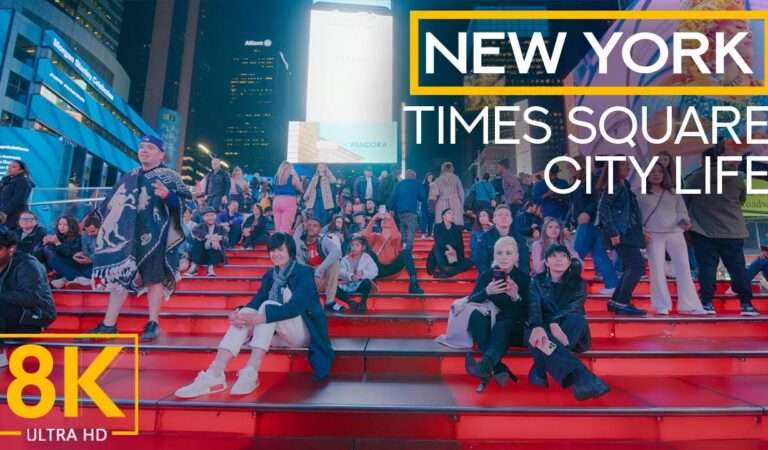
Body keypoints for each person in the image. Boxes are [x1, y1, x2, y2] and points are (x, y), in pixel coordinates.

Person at [174, 233, 334, 398]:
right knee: (246, 313)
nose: (275, 254)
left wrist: (259, 318)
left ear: (290, 251)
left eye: (280, 250)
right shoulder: (270, 276)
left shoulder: (305, 273)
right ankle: (215, 372)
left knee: (268, 307)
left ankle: (251, 371)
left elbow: (295, 308)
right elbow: (256, 302)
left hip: (304, 333)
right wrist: (238, 313)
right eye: (272, 250)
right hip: (276, 334)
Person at [89, 136, 191, 341]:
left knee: (154, 278)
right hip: (127, 235)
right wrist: (94, 219)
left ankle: (153, 323)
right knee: (120, 278)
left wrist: (168, 197)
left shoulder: (170, 176)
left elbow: (185, 206)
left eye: (150, 148)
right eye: (142, 147)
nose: (144, 151)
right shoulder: (129, 176)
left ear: (161, 154)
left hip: (157, 235)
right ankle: (109, 324)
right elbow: (110, 201)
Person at [526, 244, 610, 401]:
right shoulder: (536, 281)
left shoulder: (579, 283)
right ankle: (583, 379)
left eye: (563, 256)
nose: (559, 259)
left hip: (571, 328)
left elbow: (573, 308)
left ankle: (539, 368)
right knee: (538, 334)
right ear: (546, 262)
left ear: (569, 262)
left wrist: (554, 324)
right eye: (554, 256)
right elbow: (533, 308)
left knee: (577, 319)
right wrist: (543, 326)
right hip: (542, 326)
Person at [685, 145, 759, 316]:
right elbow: (741, 200)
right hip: (733, 231)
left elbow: (685, 202)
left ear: (704, 160)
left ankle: (707, 302)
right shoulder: (736, 178)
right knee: (737, 268)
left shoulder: (695, 178)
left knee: (707, 268)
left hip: (704, 231)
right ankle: (746, 304)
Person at [638, 162, 706, 315]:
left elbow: (681, 211)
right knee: (657, 270)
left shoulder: (673, 192)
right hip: (653, 234)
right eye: (652, 172)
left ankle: (689, 304)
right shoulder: (639, 194)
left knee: (683, 268)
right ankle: (661, 304)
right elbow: (637, 217)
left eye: (659, 172)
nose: (656, 175)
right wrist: (642, 230)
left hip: (675, 233)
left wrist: (685, 221)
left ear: (664, 174)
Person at [464, 237, 529, 391]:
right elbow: (470, 301)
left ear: (516, 256)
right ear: (494, 256)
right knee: (474, 316)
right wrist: (487, 291)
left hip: (513, 329)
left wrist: (516, 297)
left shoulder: (525, 279)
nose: (504, 257)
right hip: (490, 327)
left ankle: (487, 367)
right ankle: (498, 368)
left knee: (503, 324)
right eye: (499, 253)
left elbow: (528, 314)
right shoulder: (487, 276)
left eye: (508, 253)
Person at [0, 227, 56, 368]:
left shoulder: (28, 265)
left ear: (11, 249)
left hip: (33, 317)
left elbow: (31, 297)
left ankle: (0, 355)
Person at [597, 159, 647, 316]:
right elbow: (604, 209)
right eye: (623, 164)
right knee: (636, 266)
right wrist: (613, 232)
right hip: (621, 233)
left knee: (631, 266)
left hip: (626, 232)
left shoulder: (623, 185)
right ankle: (621, 301)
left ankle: (617, 301)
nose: (627, 166)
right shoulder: (615, 186)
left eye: (627, 164)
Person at [570, 156, 618, 296]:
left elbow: (596, 200)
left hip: (588, 222)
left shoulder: (590, 180)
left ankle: (570, 284)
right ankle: (612, 284)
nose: (570, 170)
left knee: (577, 253)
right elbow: (574, 205)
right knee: (598, 253)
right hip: (588, 222)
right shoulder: (579, 182)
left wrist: (587, 213)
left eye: (571, 166)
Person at [362, 211, 424, 294]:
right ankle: (370, 284)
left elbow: (396, 234)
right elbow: (365, 236)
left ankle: (413, 283)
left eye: (388, 222)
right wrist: (374, 218)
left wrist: (390, 217)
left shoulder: (395, 238)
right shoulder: (376, 236)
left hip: (392, 269)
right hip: (376, 269)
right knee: (368, 252)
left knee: (406, 252)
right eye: (384, 222)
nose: (385, 222)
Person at [293, 216, 342, 312]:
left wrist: (319, 270)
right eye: (309, 225)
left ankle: (329, 302)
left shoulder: (323, 240)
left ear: (320, 230)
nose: (311, 227)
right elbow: (296, 235)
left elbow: (336, 251)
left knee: (334, 263)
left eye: (315, 226)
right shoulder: (299, 242)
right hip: (307, 278)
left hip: (320, 278)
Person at [475, 205, 530, 276]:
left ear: (511, 220)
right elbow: (482, 264)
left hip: (515, 277)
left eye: (507, 215)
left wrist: (519, 280)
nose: (504, 217)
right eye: (500, 215)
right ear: (494, 220)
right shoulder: (484, 238)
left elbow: (524, 264)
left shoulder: (520, 239)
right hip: (492, 277)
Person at [44, 215, 90, 288]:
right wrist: (47, 242)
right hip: (63, 265)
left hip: (76, 264)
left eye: (65, 225)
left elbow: (70, 254)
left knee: (53, 260)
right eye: (60, 224)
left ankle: (76, 277)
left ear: (71, 226)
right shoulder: (58, 236)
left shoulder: (78, 238)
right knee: (45, 252)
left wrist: (57, 243)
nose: (61, 227)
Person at [335, 236, 378, 313]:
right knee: (333, 288)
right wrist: (350, 276)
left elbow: (375, 271)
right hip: (347, 284)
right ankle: (350, 302)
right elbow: (340, 271)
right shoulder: (345, 258)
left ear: (363, 247)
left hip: (359, 284)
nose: (354, 247)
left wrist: (363, 274)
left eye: (357, 245)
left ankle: (363, 303)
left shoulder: (367, 258)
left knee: (367, 282)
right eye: (352, 245)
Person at [430, 209, 473, 278]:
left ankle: (447, 272)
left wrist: (457, 255)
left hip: (454, 256)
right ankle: (444, 268)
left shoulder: (457, 229)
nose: (452, 215)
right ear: (443, 216)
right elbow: (438, 240)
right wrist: (449, 247)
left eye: (453, 214)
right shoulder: (437, 227)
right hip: (442, 256)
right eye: (450, 213)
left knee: (471, 261)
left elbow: (460, 245)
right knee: (436, 247)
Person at [388, 169, 424, 253]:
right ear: (414, 176)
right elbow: (422, 196)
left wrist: (391, 208)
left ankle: (404, 245)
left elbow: (393, 197)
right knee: (411, 229)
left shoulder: (400, 184)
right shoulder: (417, 183)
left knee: (403, 227)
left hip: (400, 211)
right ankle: (408, 248)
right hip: (411, 210)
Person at [187, 207, 229, 277]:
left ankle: (210, 268)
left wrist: (219, 238)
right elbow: (195, 231)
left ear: (215, 216)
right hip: (201, 255)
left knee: (214, 242)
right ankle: (194, 266)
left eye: (212, 215)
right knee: (199, 241)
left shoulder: (221, 228)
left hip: (215, 255)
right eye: (207, 215)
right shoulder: (199, 227)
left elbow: (227, 241)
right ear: (203, 218)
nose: (210, 217)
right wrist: (210, 237)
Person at [0, 160, 33, 230]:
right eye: (9, 166)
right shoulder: (6, 180)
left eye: (13, 167)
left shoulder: (23, 181)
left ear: (21, 171)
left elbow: (18, 199)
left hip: (13, 215)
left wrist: (5, 212)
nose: (9, 168)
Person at [272, 161, 303, 233]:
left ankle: (277, 243)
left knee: (277, 227)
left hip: (276, 200)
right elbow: (300, 188)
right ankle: (283, 243)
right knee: (285, 227)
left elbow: (274, 189)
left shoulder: (276, 177)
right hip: (289, 200)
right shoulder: (292, 176)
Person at [434, 162, 465, 227]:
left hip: (442, 203)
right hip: (455, 202)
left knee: (442, 224)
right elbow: (461, 192)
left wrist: (435, 206)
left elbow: (435, 195)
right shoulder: (456, 178)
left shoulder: (438, 180)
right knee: (455, 223)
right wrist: (462, 205)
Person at [421, 172, 436, 239]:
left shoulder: (435, 185)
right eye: (429, 177)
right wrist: (429, 186)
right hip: (425, 204)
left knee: (431, 219)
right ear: (426, 178)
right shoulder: (423, 185)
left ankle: (430, 234)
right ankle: (423, 233)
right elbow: (423, 194)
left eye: (431, 177)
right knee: (424, 219)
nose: (430, 178)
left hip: (432, 204)